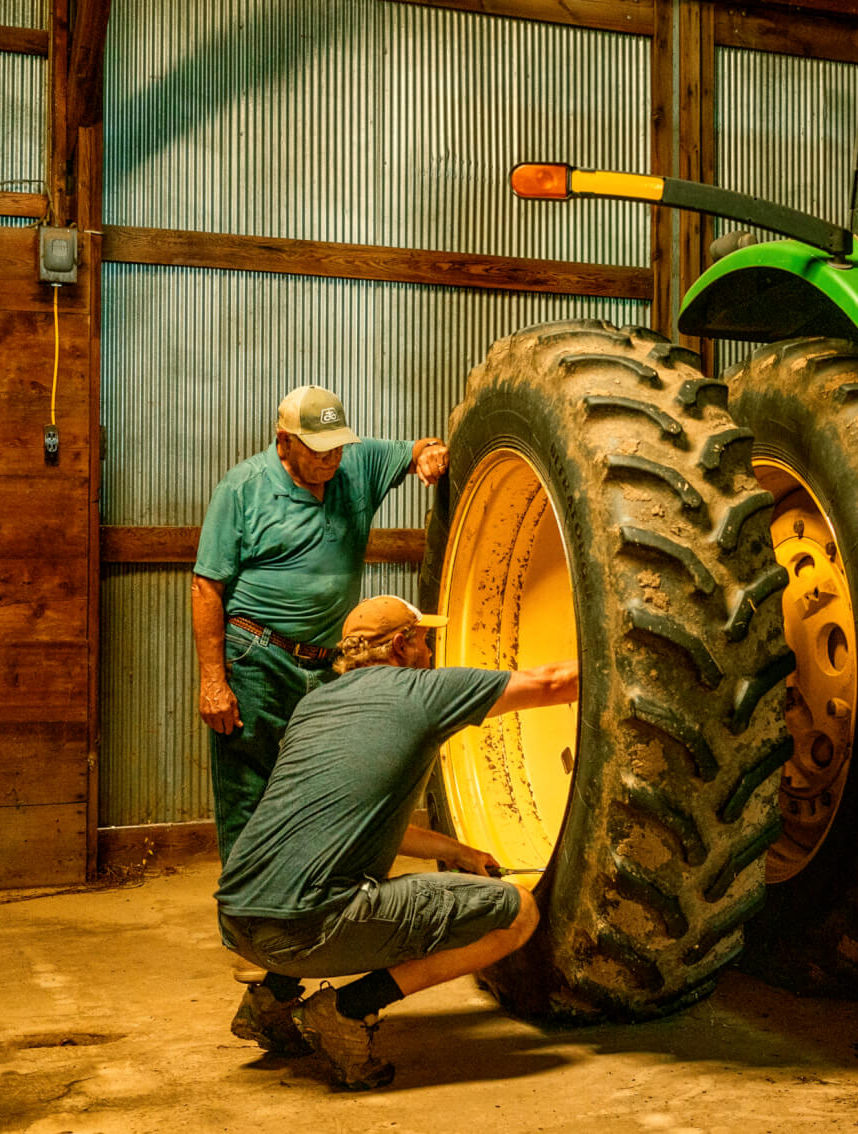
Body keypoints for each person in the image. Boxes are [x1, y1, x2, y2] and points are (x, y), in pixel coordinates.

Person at [215, 593, 579, 1089]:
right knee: (517, 913)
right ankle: (347, 1011)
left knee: (335, 870)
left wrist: (457, 852)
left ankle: (270, 1003)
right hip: (307, 931)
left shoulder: (313, 704)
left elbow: (344, 816)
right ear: (404, 645)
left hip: (237, 923)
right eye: (425, 639)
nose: (429, 650)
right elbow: (554, 682)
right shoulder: (423, 692)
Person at [190, 385, 450, 864]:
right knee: (250, 793)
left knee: (330, 780)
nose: (331, 459)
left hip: (330, 664)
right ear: (284, 440)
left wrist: (431, 454)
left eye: (338, 447)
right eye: (318, 449)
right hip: (257, 658)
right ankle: (248, 914)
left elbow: (417, 452)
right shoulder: (243, 488)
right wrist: (213, 680)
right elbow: (207, 587)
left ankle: (313, 899)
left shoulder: (356, 464)